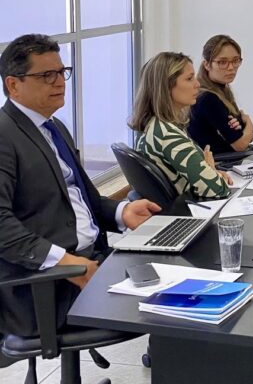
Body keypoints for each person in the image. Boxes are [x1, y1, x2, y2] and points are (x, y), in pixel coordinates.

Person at [0, 34, 160, 337]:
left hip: (90, 261)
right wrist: (65, 262)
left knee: (175, 274)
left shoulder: (54, 127)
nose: (60, 82)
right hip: (46, 289)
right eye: (47, 75)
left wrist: (122, 212)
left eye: (62, 72)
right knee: (168, 307)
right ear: (13, 85)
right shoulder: (4, 135)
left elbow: (85, 199)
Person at [130, 51, 232, 200]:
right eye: (189, 78)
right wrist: (211, 172)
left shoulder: (152, 126)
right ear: (167, 86)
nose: (197, 84)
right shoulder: (168, 136)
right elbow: (217, 189)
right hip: (192, 210)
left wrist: (211, 173)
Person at [188, 35, 253, 154]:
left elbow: (246, 137)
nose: (231, 68)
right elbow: (240, 145)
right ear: (207, 65)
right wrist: (248, 123)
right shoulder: (208, 99)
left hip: (233, 158)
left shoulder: (223, 91)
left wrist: (242, 130)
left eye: (235, 61)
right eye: (222, 62)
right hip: (223, 164)